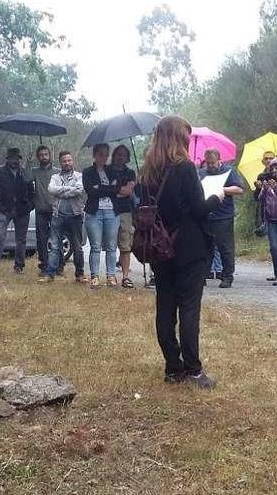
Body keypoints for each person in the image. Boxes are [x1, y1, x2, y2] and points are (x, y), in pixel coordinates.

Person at [136, 115, 222, 388]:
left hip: (159, 247)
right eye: (185, 134)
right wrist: (215, 198)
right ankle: (194, 370)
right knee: (188, 308)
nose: (188, 138)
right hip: (189, 247)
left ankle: (173, 368)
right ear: (178, 137)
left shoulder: (148, 170)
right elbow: (198, 209)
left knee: (165, 307)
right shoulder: (184, 167)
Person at [197, 148, 244, 288]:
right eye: (208, 163)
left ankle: (227, 276)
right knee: (205, 246)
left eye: (213, 163)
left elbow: (239, 189)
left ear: (219, 161)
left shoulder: (229, 171)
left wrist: (222, 189)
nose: (210, 166)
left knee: (225, 247)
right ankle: (203, 275)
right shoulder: (201, 173)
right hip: (206, 214)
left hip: (223, 215)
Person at [41, 151, 86, 283]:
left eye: (69, 160)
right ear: (60, 163)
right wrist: (68, 190)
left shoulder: (80, 176)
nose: (67, 163)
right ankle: (50, 274)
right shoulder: (55, 177)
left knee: (77, 246)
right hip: (57, 215)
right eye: (64, 161)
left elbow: (79, 190)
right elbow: (51, 189)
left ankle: (80, 274)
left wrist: (61, 191)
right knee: (54, 246)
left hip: (75, 215)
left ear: (73, 161)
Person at [0, 148, 33, 274]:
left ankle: (19, 266)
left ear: (19, 159)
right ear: (7, 159)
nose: (15, 161)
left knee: (21, 239)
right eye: (12, 158)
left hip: (22, 211)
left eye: (17, 158)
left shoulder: (25, 173)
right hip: (4, 209)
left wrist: (29, 207)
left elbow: (32, 193)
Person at [83, 143, 119, 288]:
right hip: (94, 212)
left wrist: (101, 188)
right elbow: (90, 191)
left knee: (111, 246)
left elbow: (116, 189)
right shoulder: (87, 172)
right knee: (96, 246)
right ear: (94, 155)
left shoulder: (113, 171)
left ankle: (111, 276)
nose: (103, 157)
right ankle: (94, 276)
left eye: (106, 154)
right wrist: (107, 188)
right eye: (100, 154)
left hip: (112, 212)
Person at [110, 145, 137, 288]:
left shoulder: (130, 173)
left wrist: (112, 190)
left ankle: (126, 277)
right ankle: (111, 276)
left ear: (127, 157)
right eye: (118, 154)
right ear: (113, 155)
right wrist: (115, 191)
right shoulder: (107, 171)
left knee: (125, 244)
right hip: (109, 210)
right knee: (110, 245)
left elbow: (128, 191)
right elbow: (103, 191)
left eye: (123, 155)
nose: (120, 157)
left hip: (125, 211)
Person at [31, 145, 56, 275]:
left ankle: (58, 266)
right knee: (41, 239)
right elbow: (26, 185)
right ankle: (44, 266)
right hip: (40, 209)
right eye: (41, 155)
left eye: (46, 154)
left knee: (57, 238)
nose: (44, 157)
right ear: (38, 157)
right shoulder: (34, 171)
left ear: (50, 155)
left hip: (55, 210)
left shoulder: (57, 172)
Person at [253, 151, 277, 281]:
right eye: (266, 158)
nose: (268, 160)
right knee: (273, 245)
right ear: (263, 161)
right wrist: (258, 188)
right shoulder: (261, 176)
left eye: (271, 158)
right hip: (267, 212)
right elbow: (257, 198)